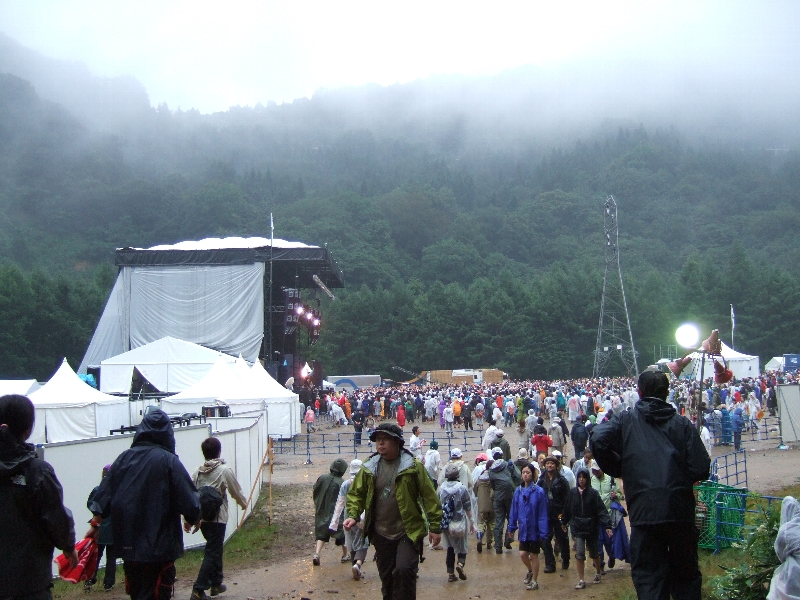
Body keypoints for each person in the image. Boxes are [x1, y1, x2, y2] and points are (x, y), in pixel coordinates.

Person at [590, 369, 711, 600]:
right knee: (685, 577)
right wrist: (678, 476)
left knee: (650, 580)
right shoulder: (682, 424)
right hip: (679, 510)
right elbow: (701, 467)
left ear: (639, 392)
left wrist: (620, 467)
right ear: (667, 393)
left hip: (644, 512)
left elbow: (597, 437)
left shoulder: (626, 420)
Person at [88, 409, 201, 600]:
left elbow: (103, 494)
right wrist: (193, 517)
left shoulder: (124, 458)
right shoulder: (169, 461)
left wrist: (95, 522)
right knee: (156, 593)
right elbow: (189, 498)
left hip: (128, 545)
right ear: (168, 434)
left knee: (137, 593)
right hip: (160, 548)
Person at [344, 423, 442, 600]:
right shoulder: (369, 467)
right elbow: (356, 494)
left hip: (408, 530)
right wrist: (353, 514)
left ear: (397, 442)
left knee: (404, 571)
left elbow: (429, 496)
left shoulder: (412, 467)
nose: (380, 444)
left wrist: (435, 526)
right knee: (387, 577)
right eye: (378, 440)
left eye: (385, 440)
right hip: (381, 532)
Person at [1, 394, 78, 600]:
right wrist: (69, 546)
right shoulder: (37, 471)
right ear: (27, 429)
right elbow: (55, 516)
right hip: (30, 583)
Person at [188, 437, 248, 600]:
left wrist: (189, 519)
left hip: (203, 519)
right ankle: (198, 589)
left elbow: (191, 495)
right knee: (212, 552)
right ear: (219, 451)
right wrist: (244, 504)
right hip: (218, 518)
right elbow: (235, 490)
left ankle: (216, 583)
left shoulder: (197, 472)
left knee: (215, 549)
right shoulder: (224, 470)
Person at [561, 468, 613, 589]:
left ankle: (598, 572)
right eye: (579, 477)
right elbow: (567, 509)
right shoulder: (572, 493)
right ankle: (581, 579)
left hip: (592, 528)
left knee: (594, 553)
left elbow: (601, 510)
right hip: (577, 527)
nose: (581, 480)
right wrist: (564, 522)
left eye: (584, 477)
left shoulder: (593, 494)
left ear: (587, 479)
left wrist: (608, 525)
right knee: (579, 553)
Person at [507, 462, 549, 591]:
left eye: (528, 473)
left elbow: (543, 513)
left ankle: (535, 581)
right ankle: (530, 570)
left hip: (535, 529)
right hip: (523, 529)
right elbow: (514, 510)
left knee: (534, 555)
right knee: (522, 553)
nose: (525, 475)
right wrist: (511, 527)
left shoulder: (539, 492)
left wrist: (543, 532)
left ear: (533, 474)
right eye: (523, 472)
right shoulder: (518, 492)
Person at [330, 459, 370, 580]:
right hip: (361, 518)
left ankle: (354, 567)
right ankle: (358, 564)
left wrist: (334, 522)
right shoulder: (365, 483)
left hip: (347, 519)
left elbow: (340, 504)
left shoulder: (346, 484)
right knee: (363, 543)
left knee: (351, 543)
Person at [438, 463, 474, 582]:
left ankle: (450, 574)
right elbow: (467, 506)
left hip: (447, 523)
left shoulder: (441, 488)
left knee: (450, 547)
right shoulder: (461, 488)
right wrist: (472, 522)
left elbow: (437, 505)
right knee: (462, 545)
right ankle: (460, 564)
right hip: (460, 521)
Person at [86, 465, 118, 591]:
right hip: (113, 529)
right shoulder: (118, 491)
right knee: (111, 556)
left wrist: (96, 516)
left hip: (99, 528)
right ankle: (108, 583)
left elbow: (91, 504)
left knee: (95, 555)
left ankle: (89, 580)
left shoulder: (97, 490)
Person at [312, 458, 349, 566]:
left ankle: (317, 554)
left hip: (322, 510)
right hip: (336, 513)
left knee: (321, 534)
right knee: (342, 534)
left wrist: (318, 504)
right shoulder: (342, 483)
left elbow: (315, 490)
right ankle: (345, 555)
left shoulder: (322, 478)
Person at [537, 455, 571, 573]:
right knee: (545, 539)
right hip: (545, 514)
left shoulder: (562, 481)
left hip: (559, 514)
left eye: (552, 463)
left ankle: (565, 560)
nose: (549, 465)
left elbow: (567, 499)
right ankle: (550, 563)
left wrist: (565, 517)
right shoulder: (541, 480)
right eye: (547, 463)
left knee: (562, 538)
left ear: (556, 465)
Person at [488, 446, 521, 554]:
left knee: (499, 521)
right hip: (510, 496)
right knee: (511, 519)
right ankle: (508, 539)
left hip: (498, 497)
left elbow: (492, 484)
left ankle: (498, 546)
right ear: (502, 455)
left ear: (493, 456)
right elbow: (518, 476)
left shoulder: (491, 470)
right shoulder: (508, 465)